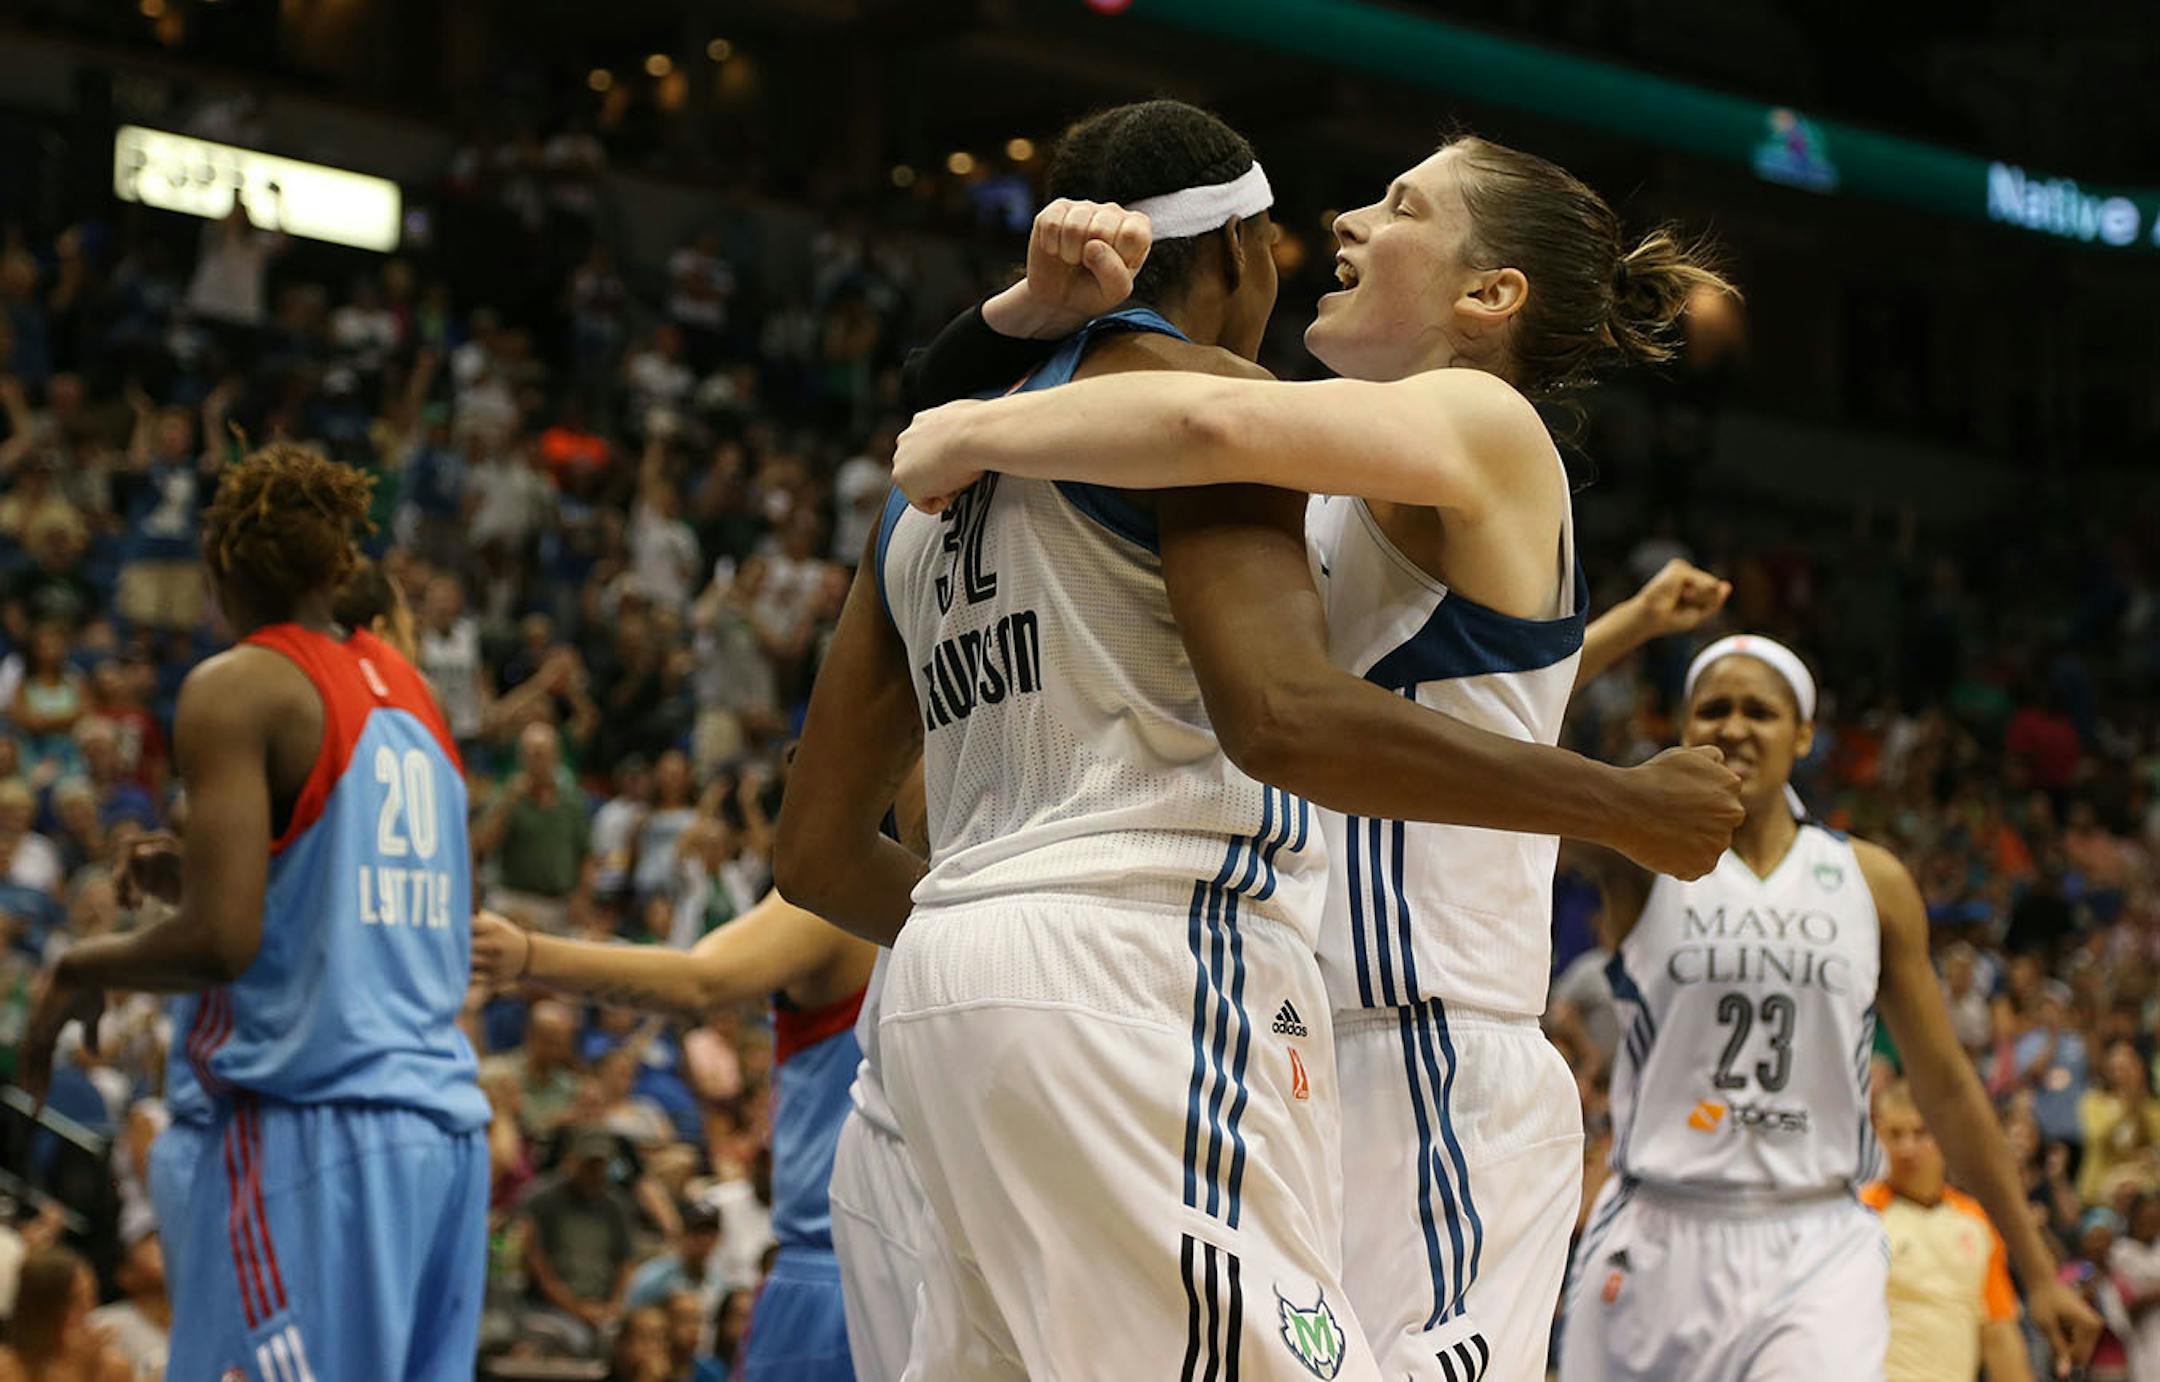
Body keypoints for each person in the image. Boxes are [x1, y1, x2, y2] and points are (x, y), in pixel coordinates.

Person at [778, 100, 1739, 1382]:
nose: (1343, 220)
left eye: (1402, 208)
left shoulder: (1485, 425)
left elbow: (1202, 422)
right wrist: (1015, 336)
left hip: (1422, 1045)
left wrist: (973, 417)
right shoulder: (1299, 462)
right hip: (1233, 1013)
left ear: (1491, 292)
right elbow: (1177, 421)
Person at [20, 442, 491, 1379]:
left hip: (316, 1136)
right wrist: (201, 872)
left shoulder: (239, 684)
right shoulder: (414, 694)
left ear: (218, 573)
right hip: (444, 1136)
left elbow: (222, 943)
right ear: (341, 566)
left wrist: (81, 966)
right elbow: (344, 899)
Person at [1556, 635, 2098, 1380]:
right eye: (1712, 709)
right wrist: (1636, 623)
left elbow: (1945, 1083)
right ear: (1683, 728)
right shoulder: (1638, 856)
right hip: (1657, 1225)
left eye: (1760, 711)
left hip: (1815, 1237)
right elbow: (1519, 745)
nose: (1735, 727)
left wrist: (2037, 1271)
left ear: (1804, 734)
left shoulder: (1870, 882)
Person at [472, 886, 877, 1381]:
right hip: (911, 1267)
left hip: (848, 1278)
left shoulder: (845, 903)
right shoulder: (962, 922)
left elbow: (701, 981)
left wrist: (528, 954)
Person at [1865, 1082, 2031, 1382]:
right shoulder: (1863, 1216)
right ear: (1877, 1136)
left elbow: (1999, 1332)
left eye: (1920, 1133)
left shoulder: (1976, 1221)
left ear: (1945, 1138)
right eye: (1895, 1135)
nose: (1907, 1149)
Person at [520, 1125, 640, 1355]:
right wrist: (578, 1309)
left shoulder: (616, 1205)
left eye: (600, 1165)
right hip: (549, 1309)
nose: (594, 1172)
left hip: (603, 1309)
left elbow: (627, 1262)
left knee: (636, 1341)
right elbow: (536, 1265)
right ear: (571, 1160)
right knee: (574, 1339)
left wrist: (614, 1307)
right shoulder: (541, 1202)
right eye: (588, 1164)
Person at [0, 1246, 130, 1382]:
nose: (87, 1313)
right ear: (38, 1310)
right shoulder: (5, 1368)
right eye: (73, 1302)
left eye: (90, 1299)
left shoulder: (111, 1367)